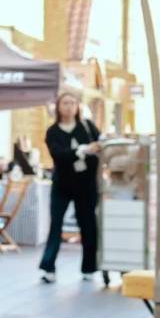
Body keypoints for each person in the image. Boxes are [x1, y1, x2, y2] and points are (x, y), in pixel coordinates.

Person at [38, 92, 103, 285]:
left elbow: (100, 144)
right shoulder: (53, 132)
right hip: (62, 185)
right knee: (55, 225)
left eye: (73, 103)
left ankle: (89, 268)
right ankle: (48, 267)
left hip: (86, 185)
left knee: (88, 225)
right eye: (65, 103)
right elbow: (59, 156)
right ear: (58, 106)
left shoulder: (87, 127)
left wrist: (91, 148)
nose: (69, 107)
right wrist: (82, 150)